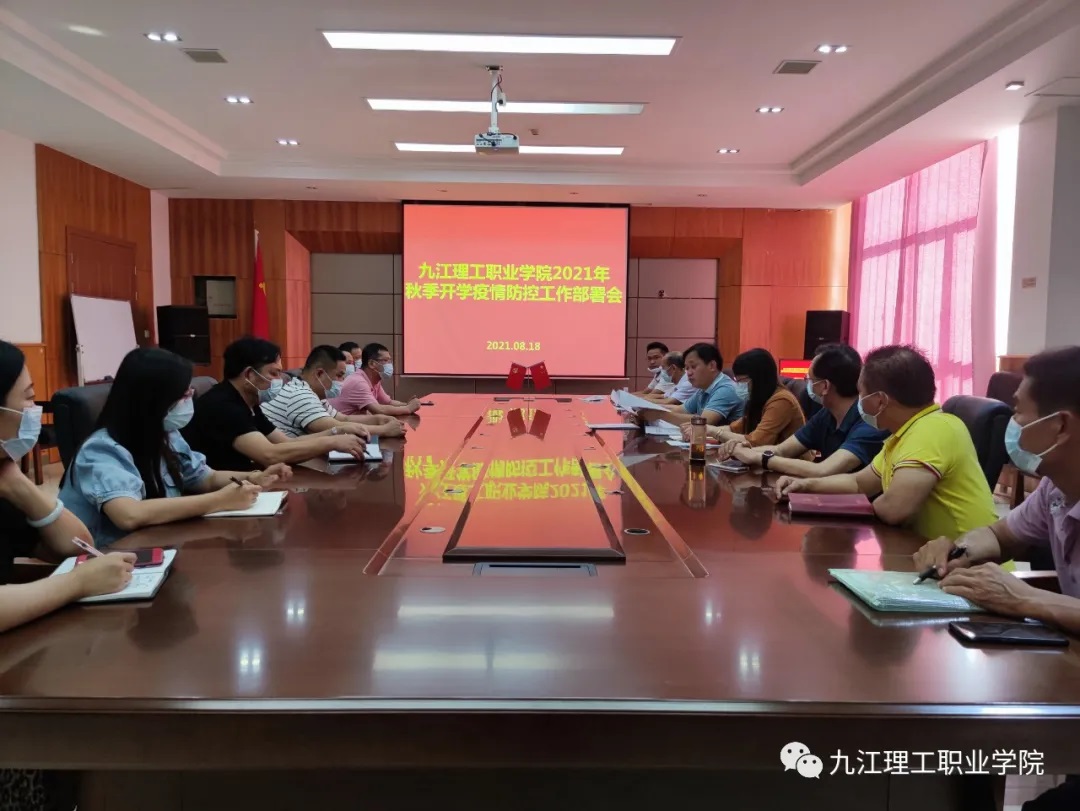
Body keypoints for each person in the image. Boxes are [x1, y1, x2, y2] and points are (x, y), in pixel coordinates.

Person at [913, 347, 1080, 811]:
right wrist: (957, 551)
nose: (1012, 425)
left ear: (1060, 426)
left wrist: (1027, 599)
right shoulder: (1056, 489)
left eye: (1019, 412)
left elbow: (1025, 595)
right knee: (961, 764)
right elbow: (1000, 535)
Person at [60, 347, 290, 548]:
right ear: (153, 399)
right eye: (183, 393)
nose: (190, 397)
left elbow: (205, 478)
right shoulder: (102, 449)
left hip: (156, 545)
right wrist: (219, 501)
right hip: (108, 559)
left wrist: (253, 477)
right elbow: (129, 515)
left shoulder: (165, 434)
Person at [775, 344, 997, 540]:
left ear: (880, 401)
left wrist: (861, 505)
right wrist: (805, 485)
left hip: (968, 565)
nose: (858, 401)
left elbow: (894, 508)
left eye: (861, 393)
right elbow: (859, 484)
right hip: (926, 554)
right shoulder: (903, 433)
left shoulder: (932, 429)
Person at [0, 341, 135, 629]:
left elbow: (76, 548)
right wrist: (76, 583)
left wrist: (18, 484)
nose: (34, 410)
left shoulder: (4, 481)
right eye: (28, 398)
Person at [183, 337, 370, 471]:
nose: (280, 380)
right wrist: (332, 442)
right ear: (249, 374)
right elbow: (270, 455)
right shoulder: (223, 406)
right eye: (273, 373)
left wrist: (336, 432)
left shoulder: (248, 403)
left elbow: (286, 443)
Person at [725, 344, 887, 476]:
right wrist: (742, 450)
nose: (807, 385)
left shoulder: (869, 422)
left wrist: (758, 457)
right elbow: (782, 450)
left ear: (825, 386)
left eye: (809, 379)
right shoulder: (827, 414)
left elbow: (823, 470)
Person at [264, 345, 406, 439]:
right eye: (339, 376)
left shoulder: (313, 394)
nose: (342, 381)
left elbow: (343, 419)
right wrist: (384, 430)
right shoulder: (299, 394)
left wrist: (378, 419)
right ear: (320, 373)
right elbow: (335, 427)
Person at [703, 348, 805, 449]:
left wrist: (714, 431)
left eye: (741, 381)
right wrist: (704, 429)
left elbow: (756, 442)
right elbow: (734, 429)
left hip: (788, 459)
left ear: (759, 379)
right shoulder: (759, 400)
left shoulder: (782, 401)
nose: (738, 385)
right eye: (736, 380)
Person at [639, 343, 743, 427]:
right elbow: (680, 409)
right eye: (687, 368)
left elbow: (704, 421)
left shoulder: (725, 389)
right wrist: (649, 408)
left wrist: (660, 415)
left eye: (693, 367)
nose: (688, 373)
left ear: (712, 365)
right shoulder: (703, 388)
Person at [330, 342, 420, 418]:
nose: (389, 365)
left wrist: (407, 404)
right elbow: (379, 410)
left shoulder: (375, 381)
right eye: (385, 360)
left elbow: (388, 402)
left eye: (390, 361)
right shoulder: (358, 382)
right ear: (372, 364)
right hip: (338, 427)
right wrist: (408, 408)